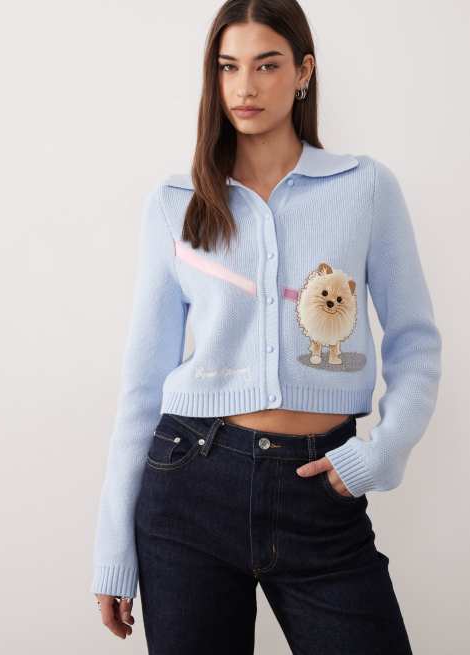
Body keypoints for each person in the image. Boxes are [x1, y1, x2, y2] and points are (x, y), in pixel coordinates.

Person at [91, 1, 442, 652]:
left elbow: (415, 342)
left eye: (266, 65)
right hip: (188, 485)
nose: (244, 86)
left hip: (320, 489)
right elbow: (142, 384)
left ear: (303, 72)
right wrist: (112, 546)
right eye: (228, 67)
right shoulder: (176, 203)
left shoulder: (364, 187)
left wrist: (381, 453)